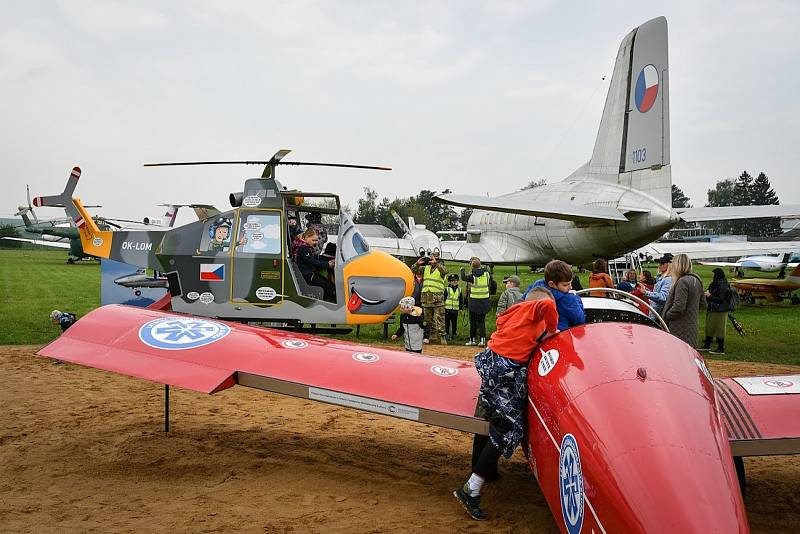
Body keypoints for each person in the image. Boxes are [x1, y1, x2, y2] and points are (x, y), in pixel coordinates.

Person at [453, 288, 559, 521]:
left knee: (492, 420)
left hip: (492, 365)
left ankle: (481, 473)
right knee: (510, 429)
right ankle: (471, 489)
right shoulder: (536, 309)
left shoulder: (515, 313)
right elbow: (548, 307)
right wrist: (553, 330)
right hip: (504, 370)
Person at [524, 259, 585, 331]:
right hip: (558, 335)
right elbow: (579, 321)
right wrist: (576, 298)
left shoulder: (535, 288)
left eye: (570, 283)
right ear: (551, 284)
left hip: (533, 333)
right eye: (565, 285)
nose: (570, 287)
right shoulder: (568, 299)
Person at [662, 253, 706, 348]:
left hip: (679, 328)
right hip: (692, 326)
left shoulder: (682, 282)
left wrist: (666, 315)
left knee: (678, 355)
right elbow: (703, 303)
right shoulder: (696, 280)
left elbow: (678, 307)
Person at [412, 251, 448, 344]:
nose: (430, 261)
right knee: (427, 319)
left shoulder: (441, 268)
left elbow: (445, 271)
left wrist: (437, 264)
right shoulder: (426, 268)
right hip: (426, 298)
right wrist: (417, 263)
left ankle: (443, 336)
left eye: (433, 259)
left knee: (440, 318)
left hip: (437, 298)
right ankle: (431, 335)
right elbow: (414, 270)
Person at [295, 229, 336, 301]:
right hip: (307, 275)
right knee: (328, 286)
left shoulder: (308, 248)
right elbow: (313, 262)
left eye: (316, 240)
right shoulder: (303, 249)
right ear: (306, 237)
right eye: (313, 240)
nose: (315, 243)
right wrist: (327, 264)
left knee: (328, 284)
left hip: (311, 273)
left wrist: (328, 261)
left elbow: (316, 259)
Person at [461, 257, 492, 347]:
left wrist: (462, 270)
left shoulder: (472, 276)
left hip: (474, 302)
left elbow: (463, 278)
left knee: (473, 322)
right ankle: (482, 340)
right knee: (481, 322)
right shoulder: (486, 274)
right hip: (484, 301)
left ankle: (472, 340)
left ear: (471, 266)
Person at [700, 268, 732, 354]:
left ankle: (721, 348)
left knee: (719, 329)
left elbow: (721, 299)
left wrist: (709, 296)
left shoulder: (723, 285)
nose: (712, 276)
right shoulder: (715, 283)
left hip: (720, 310)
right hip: (712, 309)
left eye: (714, 274)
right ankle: (707, 344)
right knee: (709, 327)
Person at [640, 254, 673, 318]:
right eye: (660, 263)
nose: (659, 265)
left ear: (669, 265)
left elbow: (663, 297)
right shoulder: (662, 278)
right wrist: (647, 291)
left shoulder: (668, 279)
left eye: (662, 263)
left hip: (658, 314)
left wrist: (646, 293)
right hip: (655, 313)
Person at [444, 274, 463, 341]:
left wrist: (461, 308)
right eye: (452, 281)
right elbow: (444, 298)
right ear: (449, 282)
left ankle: (454, 333)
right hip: (447, 309)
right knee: (447, 323)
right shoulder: (447, 289)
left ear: (458, 281)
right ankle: (447, 333)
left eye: (455, 280)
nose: (454, 282)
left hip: (455, 310)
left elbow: (460, 300)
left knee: (454, 322)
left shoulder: (459, 290)